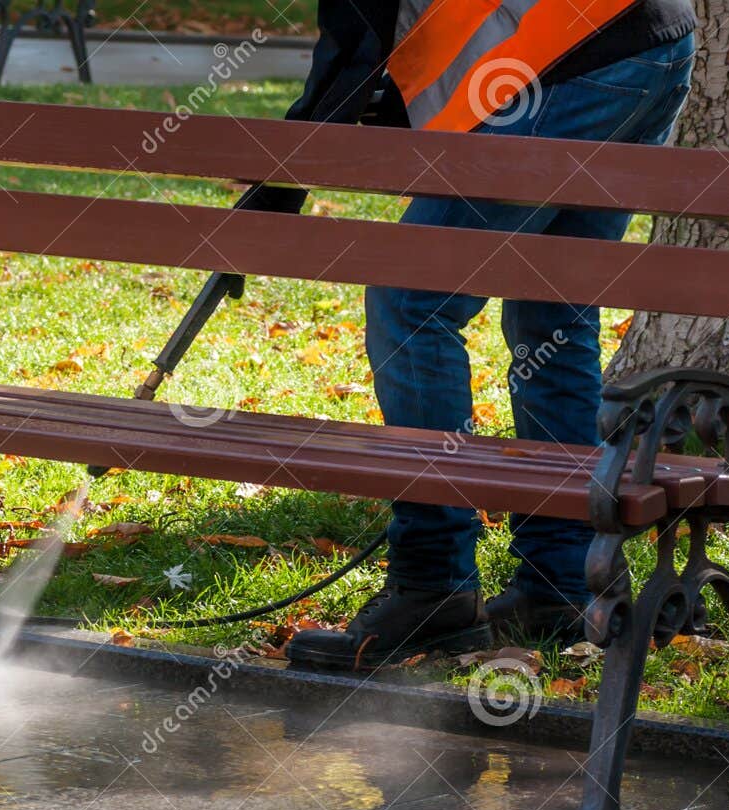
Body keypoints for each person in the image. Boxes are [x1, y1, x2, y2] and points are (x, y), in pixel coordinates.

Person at [284, 1, 697, 671]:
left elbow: (357, 24)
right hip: (642, 39)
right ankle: (562, 583)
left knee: (410, 297)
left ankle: (434, 582)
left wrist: (296, 152)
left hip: (572, 51)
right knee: (553, 311)